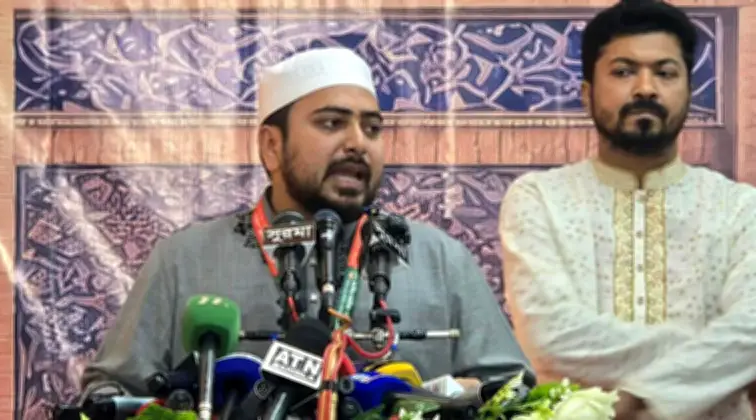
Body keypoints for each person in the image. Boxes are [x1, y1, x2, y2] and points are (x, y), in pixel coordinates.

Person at [81, 47, 531, 402]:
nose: (357, 143)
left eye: (372, 129)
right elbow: (110, 395)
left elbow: (513, 392)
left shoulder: (438, 258)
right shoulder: (186, 260)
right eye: (332, 123)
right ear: (271, 147)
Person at [499, 1, 756, 419]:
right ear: (587, 94)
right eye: (623, 72)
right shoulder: (539, 199)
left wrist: (641, 395)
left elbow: (752, 331)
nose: (646, 88)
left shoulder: (741, 209)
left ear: (690, 91)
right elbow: (550, 334)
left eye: (665, 73)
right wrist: (714, 355)